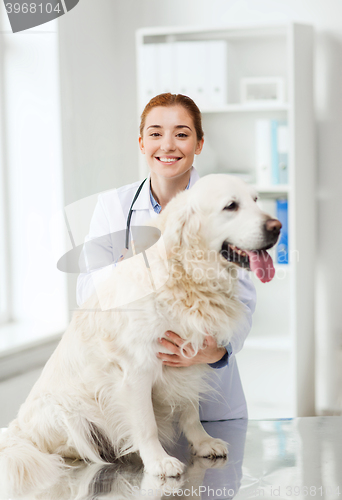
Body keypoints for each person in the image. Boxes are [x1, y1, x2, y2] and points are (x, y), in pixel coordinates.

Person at [76, 93, 256, 421]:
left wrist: (216, 350)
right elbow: (86, 289)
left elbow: (243, 299)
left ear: (199, 144)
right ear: (142, 143)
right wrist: (130, 271)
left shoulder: (227, 206)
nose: (168, 145)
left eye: (182, 134)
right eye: (156, 133)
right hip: (137, 394)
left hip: (208, 398)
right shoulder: (113, 208)